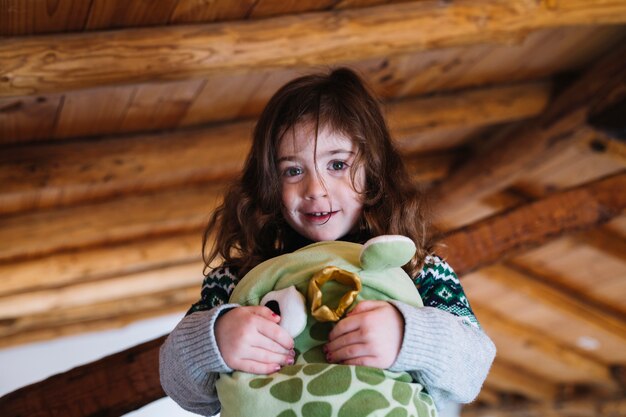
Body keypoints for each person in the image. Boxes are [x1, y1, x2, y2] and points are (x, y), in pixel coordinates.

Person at [159, 68, 496, 416]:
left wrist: (407, 336)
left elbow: (472, 370)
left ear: (373, 170)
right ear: (270, 183)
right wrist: (216, 340)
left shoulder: (417, 269)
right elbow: (180, 386)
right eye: (293, 170)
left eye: (337, 164)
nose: (316, 189)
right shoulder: (237, 279)